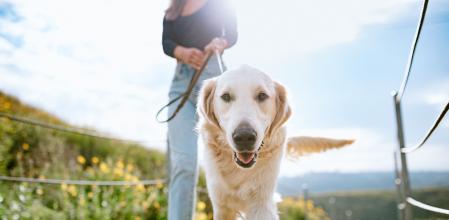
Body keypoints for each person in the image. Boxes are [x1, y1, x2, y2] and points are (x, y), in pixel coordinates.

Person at [162, 0, 237, 219]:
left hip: (213, 78)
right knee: (183, 162)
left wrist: (219, 42)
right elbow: (166, 42)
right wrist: (181, 52)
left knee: (229, 157)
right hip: (180, 83)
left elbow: (232, 33)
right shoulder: (173, 9)